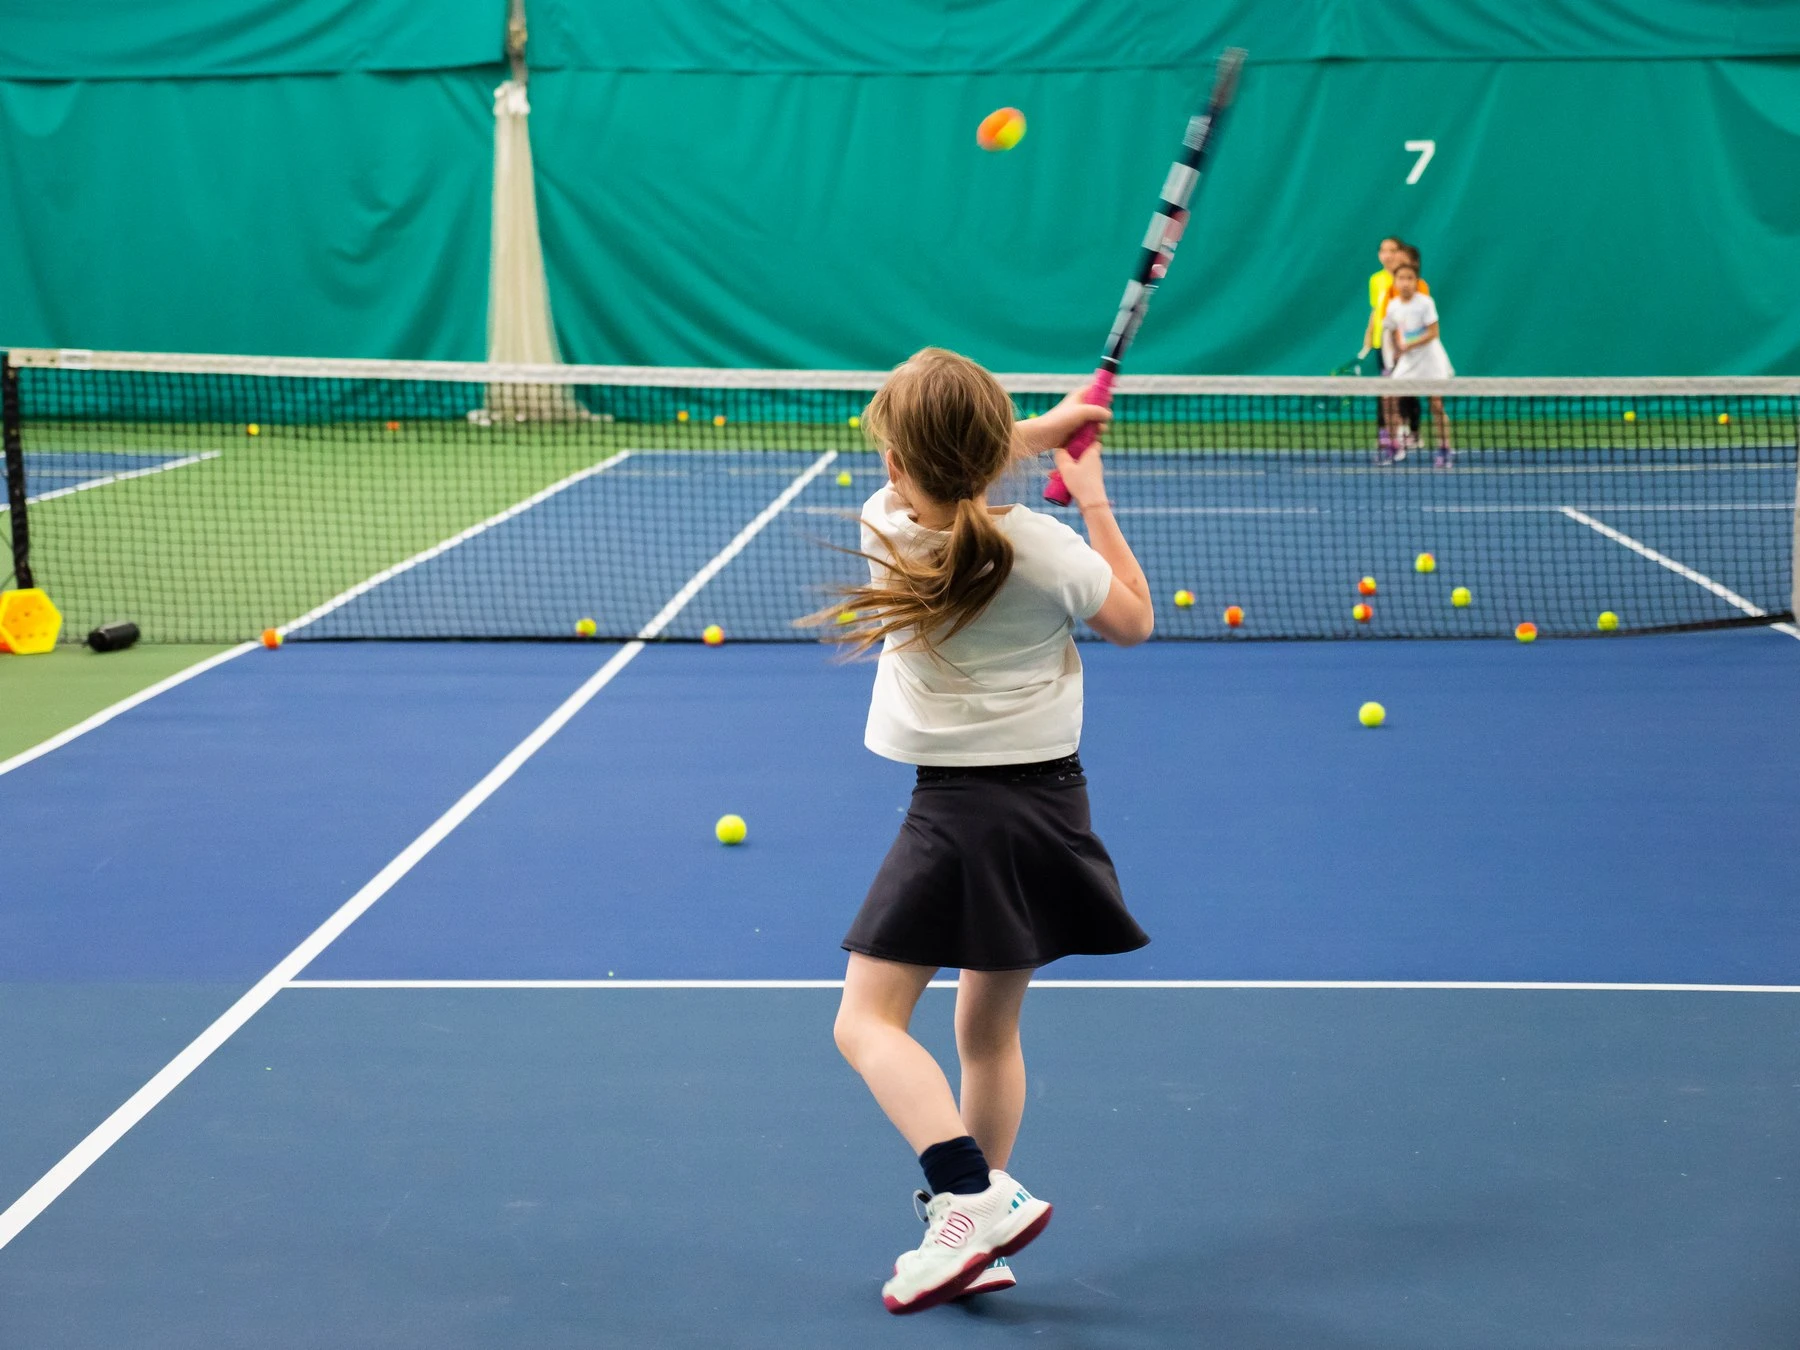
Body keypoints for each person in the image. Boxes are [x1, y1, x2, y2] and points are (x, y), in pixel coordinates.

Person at [819, 348, 1153, 1314]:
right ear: (993, 452)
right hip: (1052, 807)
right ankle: (973, 1238)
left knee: (864, 1022)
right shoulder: (1044, 548)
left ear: (895, 463)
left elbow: (948, 468)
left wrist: (1039, 435)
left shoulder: (886, 528)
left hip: (957, 815)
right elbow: (1133, 622)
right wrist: (1088, 492)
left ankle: (971, 1191)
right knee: (987, 1029)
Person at [1381, 259, 1455, 465]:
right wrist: (1395, 353)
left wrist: (1408, 346)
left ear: (1416, 281)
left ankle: (1445, 449)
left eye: (1410, 278)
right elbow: (1392, 331)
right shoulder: (1393, 306)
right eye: (1401, 278)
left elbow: (1433, 333)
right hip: (1408, 361)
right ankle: (1394, 447)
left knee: (1436, 404)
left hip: (1431, 359)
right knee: (1388, 398)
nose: (1405, 283)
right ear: (1395, 281)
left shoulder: (1425, 303)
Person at [1361, 237, 1430, 454]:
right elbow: (1376, 311)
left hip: (1408, 343)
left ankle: (1412, 430)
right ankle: (1386, 432)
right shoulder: (1376, 280)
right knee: (1385, 389)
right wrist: (1369, 337)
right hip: (1384, 342)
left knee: (1408, 388)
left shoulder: (1414, 282)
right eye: (1383, 250)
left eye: (1392, 251)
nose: (1388, 255)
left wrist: (1407, 343)